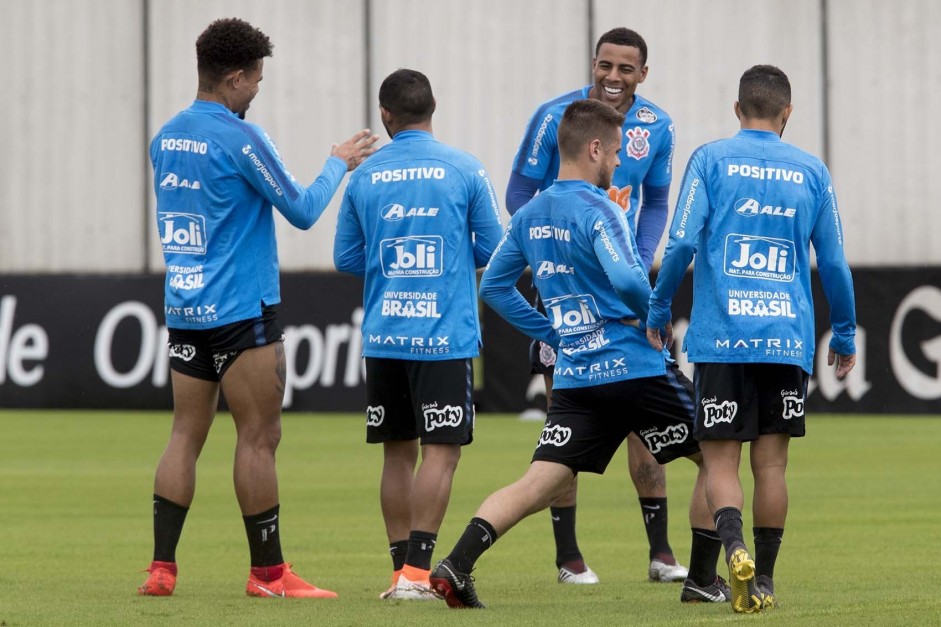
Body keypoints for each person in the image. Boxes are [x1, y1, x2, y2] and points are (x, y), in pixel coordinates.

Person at [430, 99, 727, 609]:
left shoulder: (530, 214)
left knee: (537, 481)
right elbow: (632, 280)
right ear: (594, 149)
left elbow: (496, 288)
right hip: (636, 369)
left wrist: (553, 331)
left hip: (576, 376)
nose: (616, 163)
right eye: (613, 153)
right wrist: (655, 315)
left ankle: (456, 565)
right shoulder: (600, 208)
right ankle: (702, 579)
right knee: (718, 456)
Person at [138, 17, 378, 599]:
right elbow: (300, 209)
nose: (258, 90)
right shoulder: (241, 138)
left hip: (186, 308)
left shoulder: (165, 138)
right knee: (258, 438)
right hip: (242, 312)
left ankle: (162, 570)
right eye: (257, 80)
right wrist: (337, 164)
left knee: (183, 435)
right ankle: (268, 575)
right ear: (236, 77)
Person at [646, 65, 856, 613]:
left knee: (719, 466)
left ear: (737, 110)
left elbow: (682, 244)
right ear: (788, 113)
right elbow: (832, 262)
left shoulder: (711, 159)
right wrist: (847, 330)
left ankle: (730, 548)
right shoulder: (812, 170)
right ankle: (762, 580)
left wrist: (660, 306)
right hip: (786, 339)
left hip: (721, 339)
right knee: (772, 467)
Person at [505, 26, 685, 585]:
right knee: (568, 418)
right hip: (569, 287)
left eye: (625, 69)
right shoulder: (555, 115)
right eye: (605, 65)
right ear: (593, 62)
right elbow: (517, 192)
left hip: (627, 287)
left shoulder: (657, 126)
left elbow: (656, 200)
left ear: (643, 75)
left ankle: (660, 553)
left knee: (648, 421)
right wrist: (548, 242)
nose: (612, 77)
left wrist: (642, 256)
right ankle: (568, 557)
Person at [334, 68, 504, 601]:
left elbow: (346, 257)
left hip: (385, 335)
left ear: (386, 115)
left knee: (396, 454)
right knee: (442, 453)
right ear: (433, 108)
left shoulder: (363, 175)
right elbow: (494, 250)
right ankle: (416, 574)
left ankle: (397, 572)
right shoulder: (465, 169)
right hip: (444, 335)